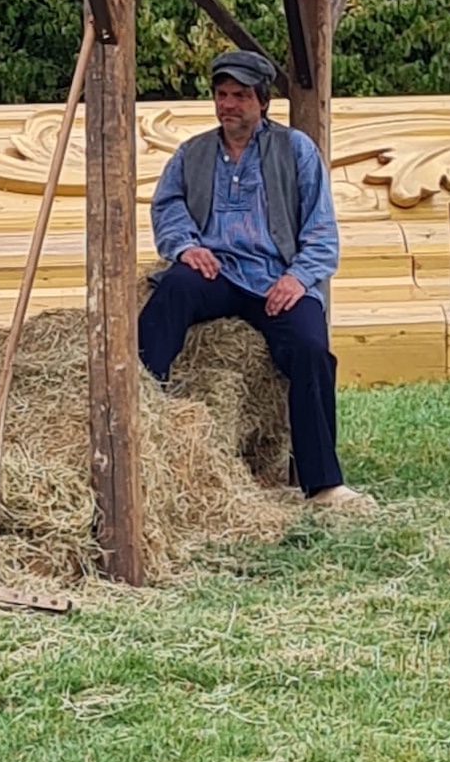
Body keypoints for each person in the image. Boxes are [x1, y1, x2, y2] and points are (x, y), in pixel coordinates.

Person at [138, 48, 369, 511]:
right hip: (217, 271)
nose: (228, 105)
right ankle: (141, 417)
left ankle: (323, 483)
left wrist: (299, 279)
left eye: (240, 96)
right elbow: (167, 207)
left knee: (309, 348)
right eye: (222, 95)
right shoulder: (193, 152)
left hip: (276, 277)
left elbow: (322, 230)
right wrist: (187, 246)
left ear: (262, 101)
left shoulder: (296, 150)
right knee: (172, 292)